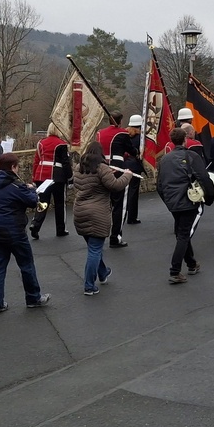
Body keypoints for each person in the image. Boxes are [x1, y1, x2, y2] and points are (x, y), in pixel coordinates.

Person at [0, 152, 50, 313]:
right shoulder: (15, 186)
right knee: (26, 264)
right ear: (13, 167)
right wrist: (31, 189)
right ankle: (33, 298)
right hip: (14, 230)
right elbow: (32, 202)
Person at [72, 142, 132, 295]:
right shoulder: (102, 168)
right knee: (94, 250)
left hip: (80, 211)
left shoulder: (78, 168)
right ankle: (89, 286)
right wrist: (127, 175)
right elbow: (115, 186)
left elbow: (90, 181)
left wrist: (108, 173)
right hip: (97, 213)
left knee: (94, 247)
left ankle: (103, 272)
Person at [157, 128, 207, 284]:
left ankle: (191, 263)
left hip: (172, 201)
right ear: (185, 139)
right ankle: (175, 271)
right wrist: (209, 197)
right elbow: (203, 177)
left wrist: (168, 201)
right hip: (189, 200)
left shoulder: (164, 160)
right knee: (184, 235)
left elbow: (159, 184)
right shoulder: (191, 156)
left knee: (181, 232)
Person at [107, 114, 145, 246]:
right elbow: (134, 151)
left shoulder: (119, 133)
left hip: (110, 167)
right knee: (126, 197)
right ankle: (128, 220)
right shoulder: (130, 136)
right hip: (126, 167)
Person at [30, 126, 71, 239]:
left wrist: (34, 177)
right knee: (60, 203)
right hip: (57, 176)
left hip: (41, 175)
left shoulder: (41, 143)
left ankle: (35, 224)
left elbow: (36, 161)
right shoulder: (62, 144)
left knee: (43, 202)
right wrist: (70, 177)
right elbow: (66, 163)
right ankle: (60, 229)